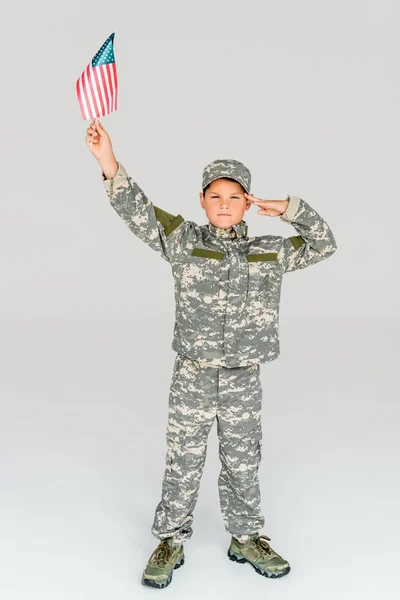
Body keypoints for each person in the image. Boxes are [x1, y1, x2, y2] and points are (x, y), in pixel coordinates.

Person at [85, 119, 337, 589]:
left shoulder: (271, 250)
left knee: (243, 460)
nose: (224, 204)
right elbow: (136, 209)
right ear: (202, 201)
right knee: (184, 458)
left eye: (235, 196)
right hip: (194, 375)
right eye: (215, 196)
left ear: (249, 202)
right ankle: (171, 539)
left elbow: (325, 243)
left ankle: (245, 537)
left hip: (243, 375)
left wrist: (289, 209)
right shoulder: (183, 241)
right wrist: (107, 161)